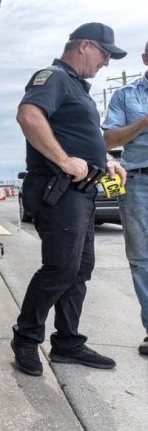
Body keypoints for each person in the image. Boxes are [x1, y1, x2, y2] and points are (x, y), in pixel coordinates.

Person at [11, 22, 127, 376]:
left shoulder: (78, 88)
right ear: (84, 46)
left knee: (79, 270)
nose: (106, 62)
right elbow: (28, 114)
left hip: (83, 192)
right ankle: (26, 339)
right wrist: (63, 160)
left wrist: (104, 160)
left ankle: (68, 344)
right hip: (57, 189)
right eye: (105, 54)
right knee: (61, 268)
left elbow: (81, 137)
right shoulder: (54, 76)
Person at [102, 41, 148, 356]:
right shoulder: (126, 96)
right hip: (138, 181)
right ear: (146, 58)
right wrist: (144, 122)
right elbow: (109, 137)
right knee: (142, 259)